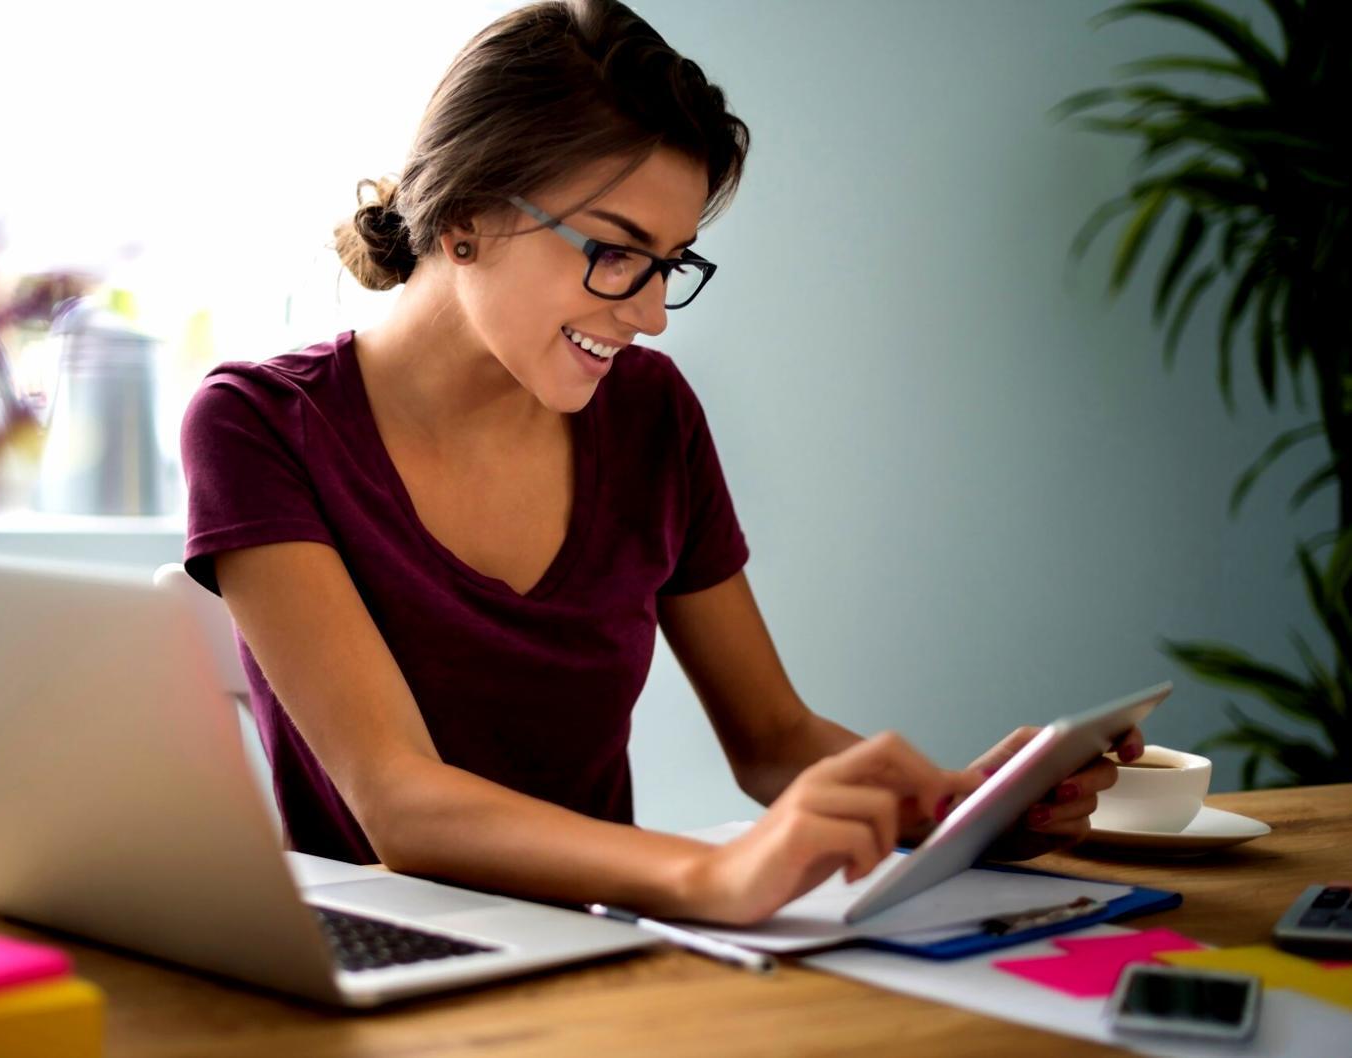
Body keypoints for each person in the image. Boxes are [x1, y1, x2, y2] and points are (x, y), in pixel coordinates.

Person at [180, 0, 1142, 926]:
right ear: (466, 214)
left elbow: (772, 740)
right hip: (387, 967)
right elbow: (399, 803)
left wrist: (963, 810)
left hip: (615, 949)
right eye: (614, 251)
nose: (649, 315)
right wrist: (713, 875)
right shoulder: (260, 425)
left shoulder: (651, 413)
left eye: (671, 263)